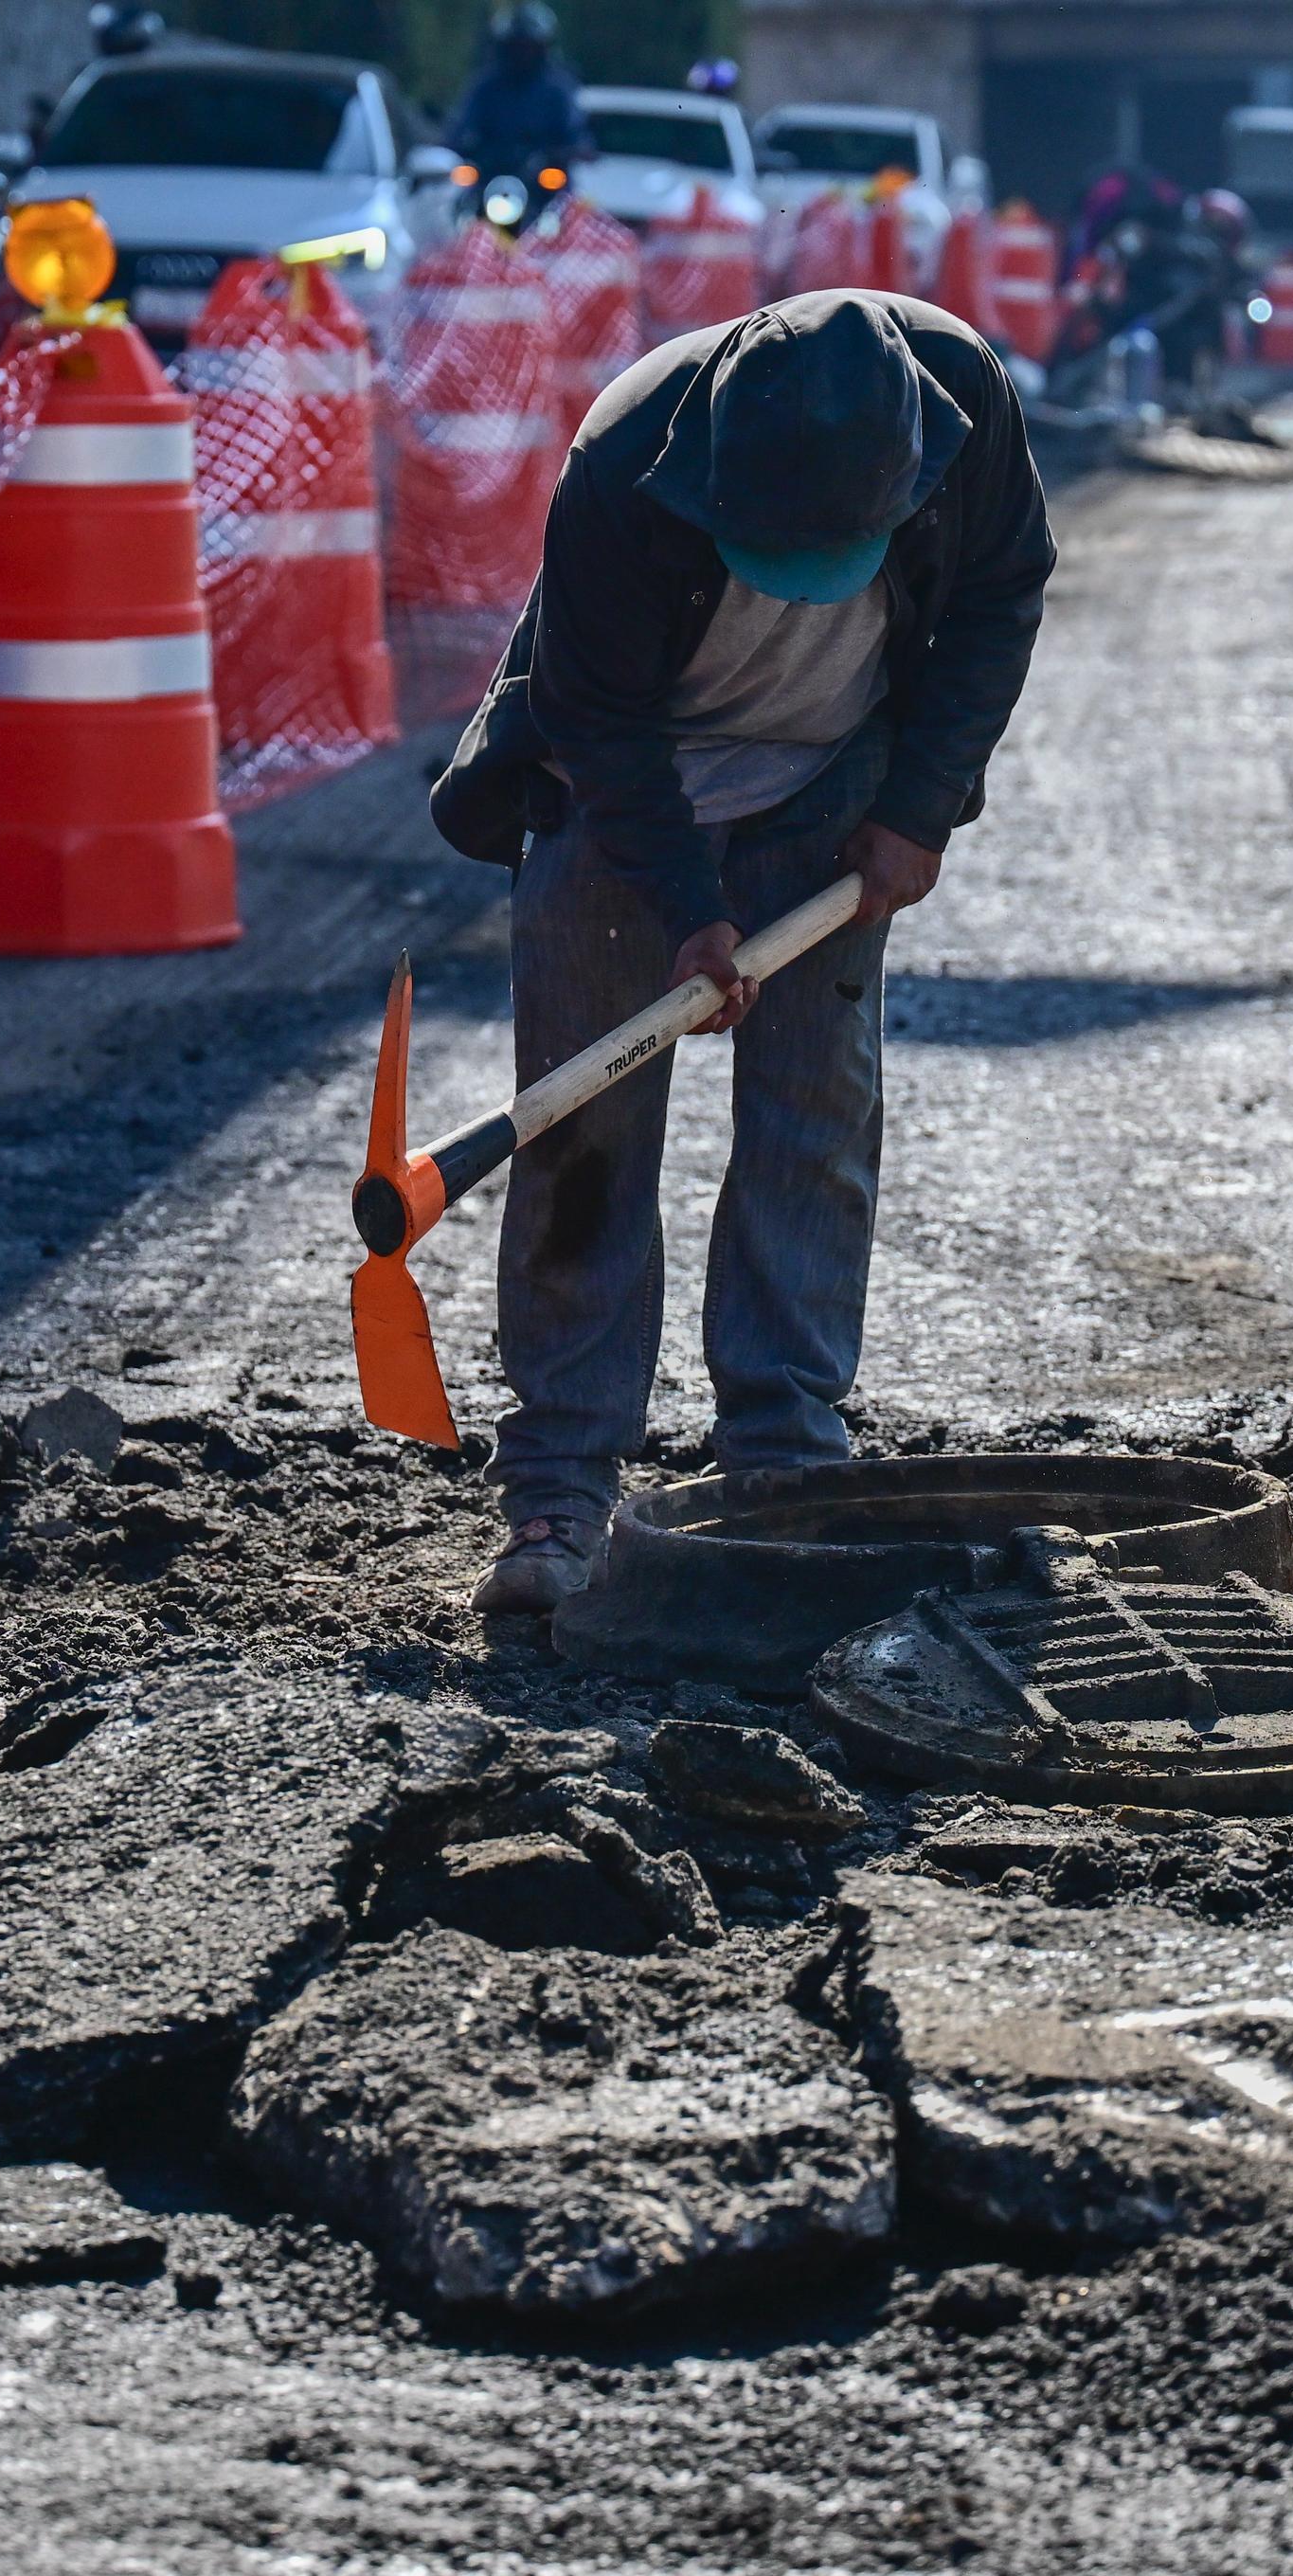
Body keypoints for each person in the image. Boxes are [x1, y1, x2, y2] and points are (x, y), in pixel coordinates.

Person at [430, 290, 1057, 1614]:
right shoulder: (623, 461)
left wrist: (917, 807)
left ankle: (784, 1459)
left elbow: (999, 596)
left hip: (834, 780)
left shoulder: (962, 405)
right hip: (622, 792)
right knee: (584, 1128)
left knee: (813, 1112)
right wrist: (681, 907)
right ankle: (560, 1481)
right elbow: (595, 719)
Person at [450, 2, 588, 182]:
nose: (522, 54)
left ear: (543, 48)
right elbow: (461, 126)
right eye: (516, 47)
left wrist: (573, 150)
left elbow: (575, 130)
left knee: (567, 197)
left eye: (528, 47)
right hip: (490, 175)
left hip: (542, 181)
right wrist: (453, 146)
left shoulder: (558, 88)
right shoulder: (486, 86)